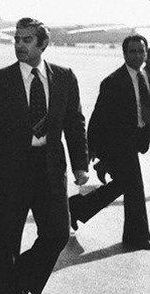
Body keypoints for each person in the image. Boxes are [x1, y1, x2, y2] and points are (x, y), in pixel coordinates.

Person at [0, 17, 88, 294]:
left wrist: (80, 165)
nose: (19, 45)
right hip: (10, 170)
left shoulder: (64, 77)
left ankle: (20, 280)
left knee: (57, 234)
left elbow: (74, 123)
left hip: (50, 167)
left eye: (26, 40)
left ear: (43, 44)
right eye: (17, 39)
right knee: (5, 241)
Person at [70, 35, 150, 250]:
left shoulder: (145, 77)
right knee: (135, 188)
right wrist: (90, 150)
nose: (137, 55)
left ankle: (77, 207)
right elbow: (98, 118)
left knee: (124, 185)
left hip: (134, 141)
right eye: (132, 51)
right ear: (124, 54)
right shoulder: (113, 82)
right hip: (116, 143)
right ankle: (137, 238)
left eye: (141, 51)